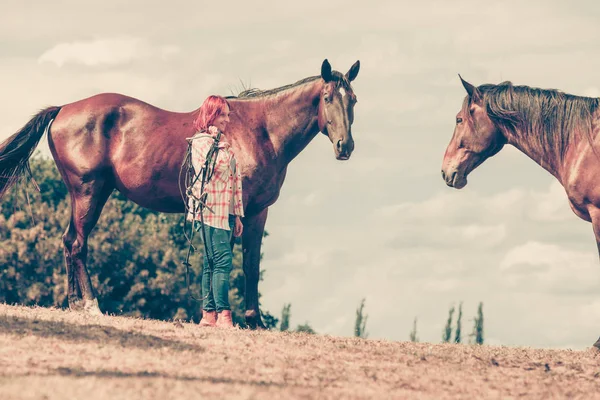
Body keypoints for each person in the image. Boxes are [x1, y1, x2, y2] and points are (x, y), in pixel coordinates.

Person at [187, 95, 244, 328]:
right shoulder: (201, 143)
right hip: (208, 210)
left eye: (228, 115)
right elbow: (205, 172)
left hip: (225, 212)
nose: (227, 120)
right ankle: (224, 315)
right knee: (223, 260)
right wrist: (217, 145)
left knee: (212, 262)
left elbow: (235, 182)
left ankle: (208, 316)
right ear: (211, 114)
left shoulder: (223, 143)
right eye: (223, 115)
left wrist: (238, 214)